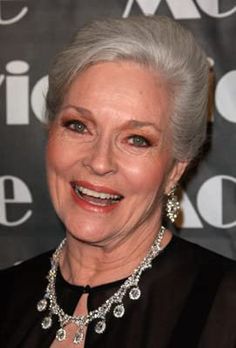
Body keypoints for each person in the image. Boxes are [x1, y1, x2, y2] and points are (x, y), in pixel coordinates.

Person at [1, 15, 236, 348]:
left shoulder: (224, 306)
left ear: (175, 169)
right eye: (79, 126)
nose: (99, 162)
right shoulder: (8, 295)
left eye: (136, 139)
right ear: (50, 131)